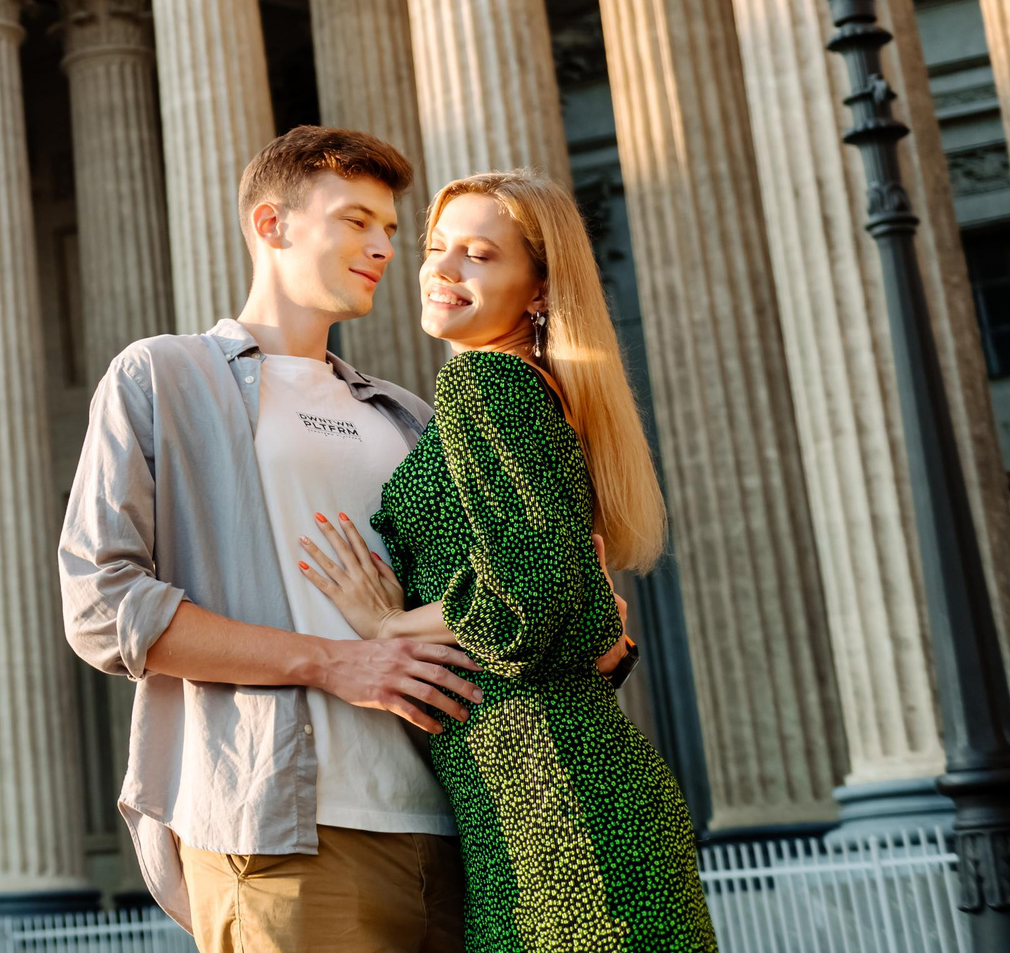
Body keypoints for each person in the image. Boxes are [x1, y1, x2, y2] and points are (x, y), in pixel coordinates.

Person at [61, 126, 476, 953]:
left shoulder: (409, 416)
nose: (383, 246)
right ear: (271, 223)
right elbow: (103, 607)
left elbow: (474, 595)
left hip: (461, 826)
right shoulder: (164, 377)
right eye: (356, 219)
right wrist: (334, 661)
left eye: (391, 229)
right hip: (283, 837)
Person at [301, 172, 716, 953]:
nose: (443, 268)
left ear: (538, 288)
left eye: (480, 254)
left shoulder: (483, 381)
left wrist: (389, 622)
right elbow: (578, 601)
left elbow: (528, 595)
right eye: (435, 247)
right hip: (544, 789)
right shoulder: (518, 388)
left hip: (552, 802)